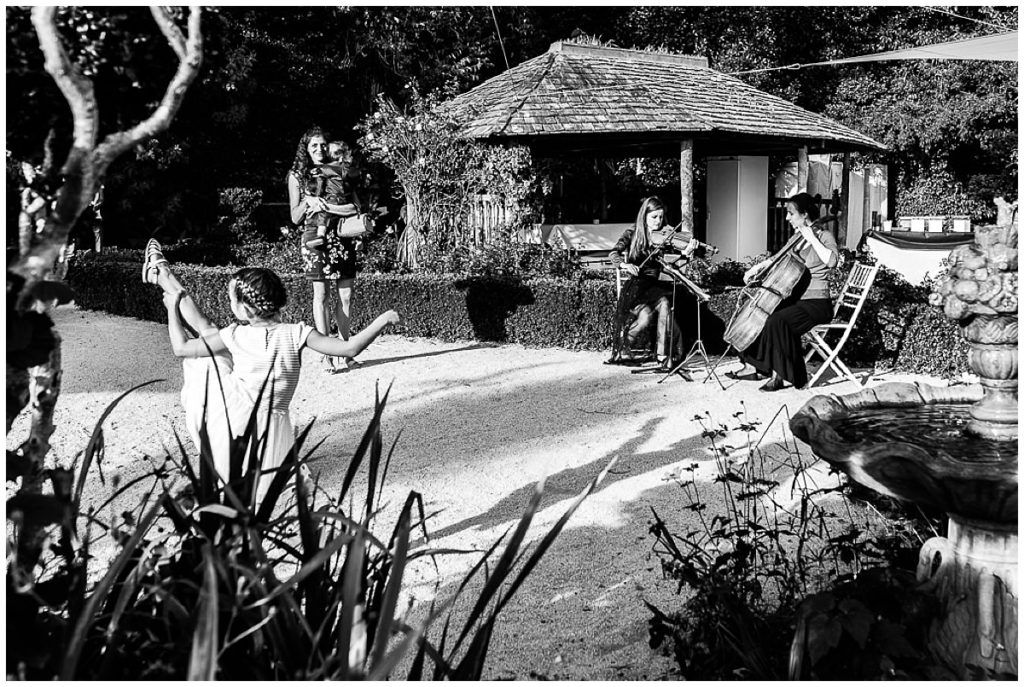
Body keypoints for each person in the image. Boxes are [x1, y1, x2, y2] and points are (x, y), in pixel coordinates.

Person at [141, 239, 401, 501]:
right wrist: (383, 320)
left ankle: (164, 278)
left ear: (245, 308)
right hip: (271, 418)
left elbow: (182, 348)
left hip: (235, 412)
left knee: (208, 335)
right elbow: (350, 349)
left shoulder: (236, 334)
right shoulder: (298, 333)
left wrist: (173, 310)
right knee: (209, 333)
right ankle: (163, 275)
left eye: (232, 299)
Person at [728, 192, 839, 392]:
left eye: (791, 213)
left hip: (816, 303)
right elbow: (777, 258)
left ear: (804, 215)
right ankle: (752, 366)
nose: (787, 217)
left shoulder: (824, 235)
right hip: (797, 299)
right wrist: (755, 269)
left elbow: (832, 261)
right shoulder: (796, 238)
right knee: (762, 314)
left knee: (778, 321)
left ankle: (780, 377)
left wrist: (812, 237)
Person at [286, 128, 362, 373]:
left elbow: (355, 208)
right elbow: (295, 218)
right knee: (322, 297)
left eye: (322, 145)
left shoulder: (339, 170)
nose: (319, 149)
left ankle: (346, 350)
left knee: (346, 296)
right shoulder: (297, 176)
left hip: (341, 235)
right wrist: (308, 201)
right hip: (313, 238)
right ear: (306, 149)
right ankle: (326, 353)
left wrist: (327, 206)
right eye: (314, 146)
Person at [607, 196, 697, 370]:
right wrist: (626, 265)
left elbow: (676, 259)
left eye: (661, 217)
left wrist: (687, 252)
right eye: (654, 217)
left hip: (657, 286)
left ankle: (663, 355)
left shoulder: (666, 235)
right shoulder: (631, 234)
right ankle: (623, 345)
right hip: (637, 288)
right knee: (645, 317)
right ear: (644, 216)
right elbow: (613, 253)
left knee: (664, 303)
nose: (658, 221)